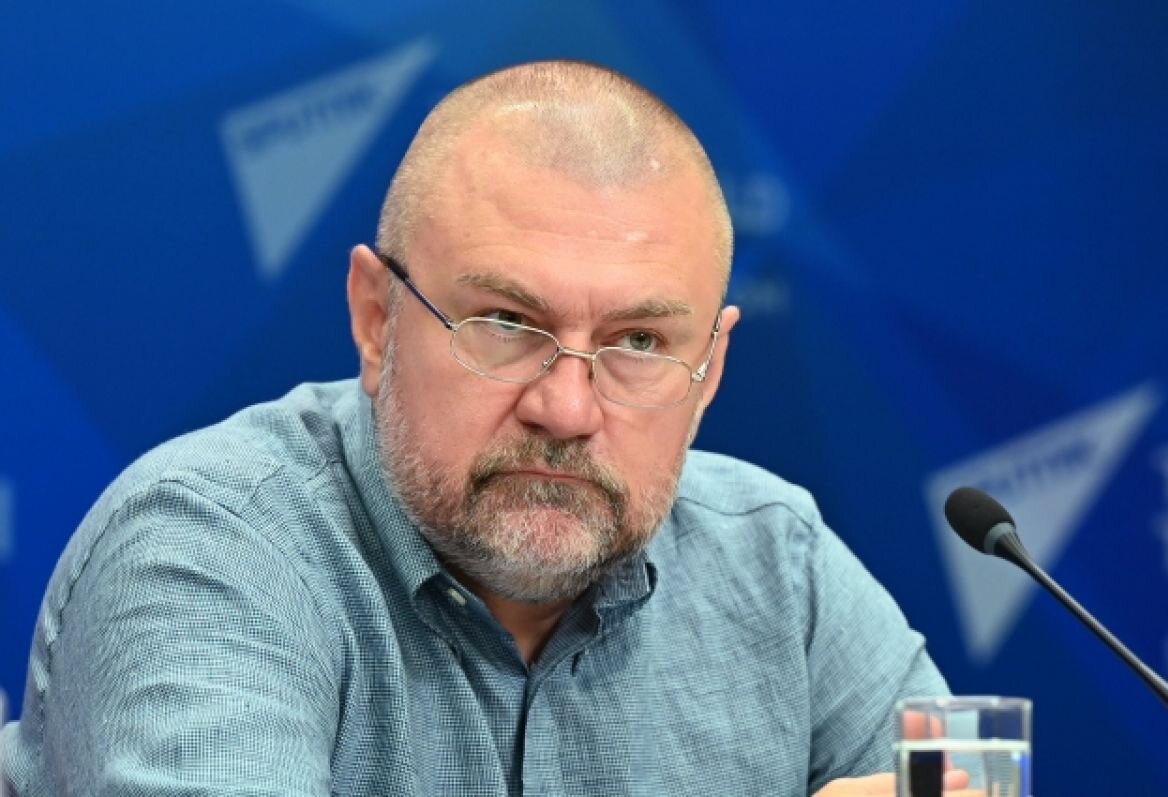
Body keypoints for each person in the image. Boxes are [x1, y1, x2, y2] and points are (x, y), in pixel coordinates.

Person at [1, 60, 950, 796]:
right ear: (376, 318)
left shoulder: (778, 565)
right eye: (506, 322)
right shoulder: (210, 544)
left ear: (711, 370)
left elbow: (971, 776)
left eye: (639, 342)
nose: (567, 409)